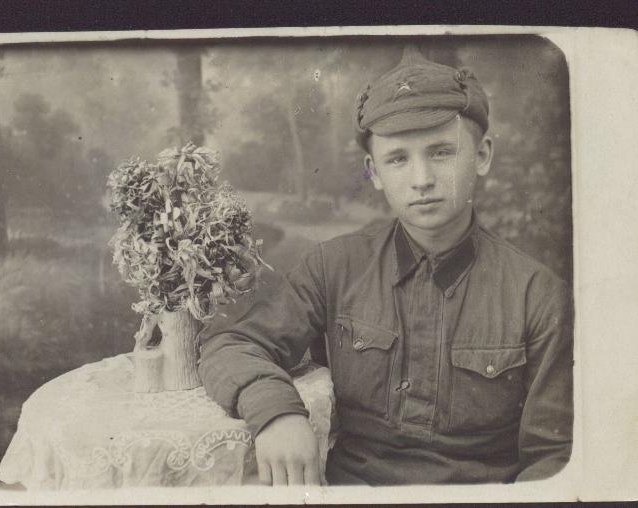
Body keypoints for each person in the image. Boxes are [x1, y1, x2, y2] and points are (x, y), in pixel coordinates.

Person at [198, 53, 573, 486]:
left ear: (482, 155)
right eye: (398, 159)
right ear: (373, 172)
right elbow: (233, 343)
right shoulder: (334, 266)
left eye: (441, 152)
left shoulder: (538, 295)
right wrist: (276, 411)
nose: (421, 179)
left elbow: (555, 460)